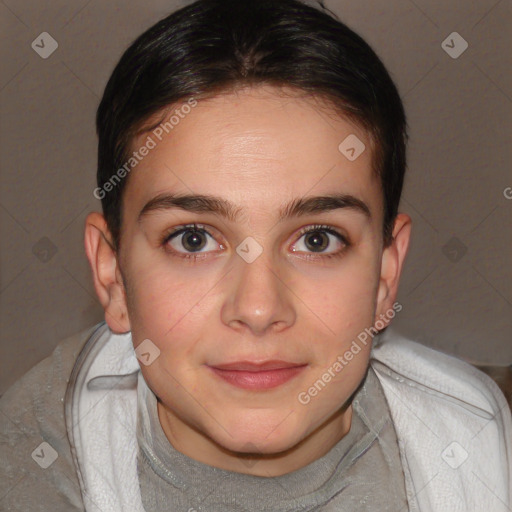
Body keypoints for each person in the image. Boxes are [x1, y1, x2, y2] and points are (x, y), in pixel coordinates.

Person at [1, 0, 511, 510]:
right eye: (194, 239)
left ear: (384, 276)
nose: (259, 308)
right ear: (113, 275)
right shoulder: (32, 465)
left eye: (317, 240)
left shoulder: (480, 450)